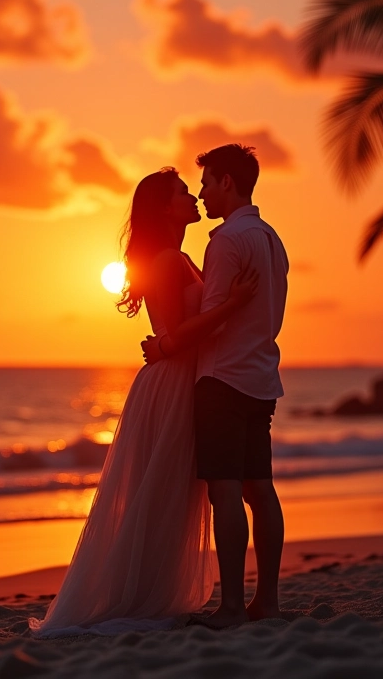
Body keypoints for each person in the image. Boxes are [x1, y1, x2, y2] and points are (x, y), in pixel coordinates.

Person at [29, 166, 258, 638]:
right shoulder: (166, 261)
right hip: (172, 383)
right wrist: (232, 306)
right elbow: (175, 335)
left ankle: (153, 588)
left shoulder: (178, 257)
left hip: (181, 377)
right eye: (181, 193)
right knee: (158, 491)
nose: (193, 196)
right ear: (163, 208)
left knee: (170, 493)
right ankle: (138, 593)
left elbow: (173, 335)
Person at [143, 144, 288, 629]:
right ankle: (266, 601)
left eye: (205, 183)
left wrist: (164, 346)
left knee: (225, 492)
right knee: (260, 489)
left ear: (228, 182)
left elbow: (211, 321)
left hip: (223, 378)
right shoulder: (271, 239)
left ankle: (231, 607)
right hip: (261, 375)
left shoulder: (226, 241)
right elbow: (273, 315)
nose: (202, 192)